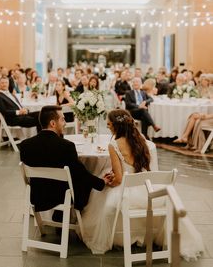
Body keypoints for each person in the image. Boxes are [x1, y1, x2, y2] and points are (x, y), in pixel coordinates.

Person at [80, 109, 204, 259]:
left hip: (127, 192)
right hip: (149, 191)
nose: (108, 127)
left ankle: (115, 238)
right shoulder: (142, 139)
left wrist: (108, 183)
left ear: (116, 126)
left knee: (102, 198)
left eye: (108, 124)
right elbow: (143, 167)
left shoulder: (114, 145)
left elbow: (119, 179)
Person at [19, 105, 109, 217]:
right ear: (53, 123)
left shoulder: (25, 145)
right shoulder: (67, 146)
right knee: (83, 182)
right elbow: (81, 174)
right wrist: (101, 182)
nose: (65, 122)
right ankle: (65, 215)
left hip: (36, 195)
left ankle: (59, 215)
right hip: (61, 196)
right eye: (62, 119)